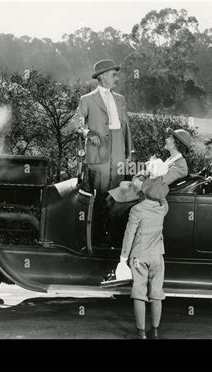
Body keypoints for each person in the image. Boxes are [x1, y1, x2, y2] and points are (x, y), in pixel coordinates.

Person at [71, 59, 133, 195]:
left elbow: (126, 128)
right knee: (99, 192)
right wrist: (88, 133)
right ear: (103, 76)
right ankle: (97, 216)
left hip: (119, 148)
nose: (117, 78)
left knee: (118, 192)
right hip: (98, 149)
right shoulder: (86, 99)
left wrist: (130, 154)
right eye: (114, 75)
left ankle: (114, 216)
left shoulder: (121, 99)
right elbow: (76, 122)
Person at [119, 178, 170, 339]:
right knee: (156, 292)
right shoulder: (163, 208)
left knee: (139, 291)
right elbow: (163, 198)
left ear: (144, 192)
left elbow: (129, 234)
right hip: (157, 256)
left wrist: (123, 258)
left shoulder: (137, 210)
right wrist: (158, 191)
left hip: (139, 256)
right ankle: (154, 330)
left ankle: (141, 332)